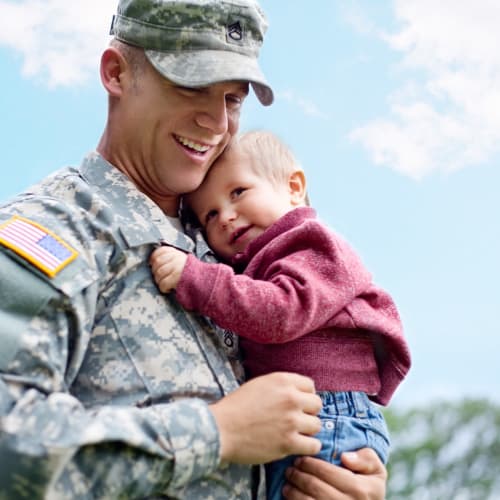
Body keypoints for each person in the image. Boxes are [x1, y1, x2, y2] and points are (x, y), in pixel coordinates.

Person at [0, 0, 388, 498]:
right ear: (116, 73)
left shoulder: (234, 243)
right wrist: (218, 432)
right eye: (191, 85)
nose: (216, 121)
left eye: (233, 98)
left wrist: (345, 473)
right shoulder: (53, 228)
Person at [150, 130, 411, 498]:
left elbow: (281, 313)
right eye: (209, 214)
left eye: (238, 192)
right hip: (299, 414)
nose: (225, 216)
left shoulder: (311, 244)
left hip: (328, 413)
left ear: (294, 186)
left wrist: (196, 278)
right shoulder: (254, 262)